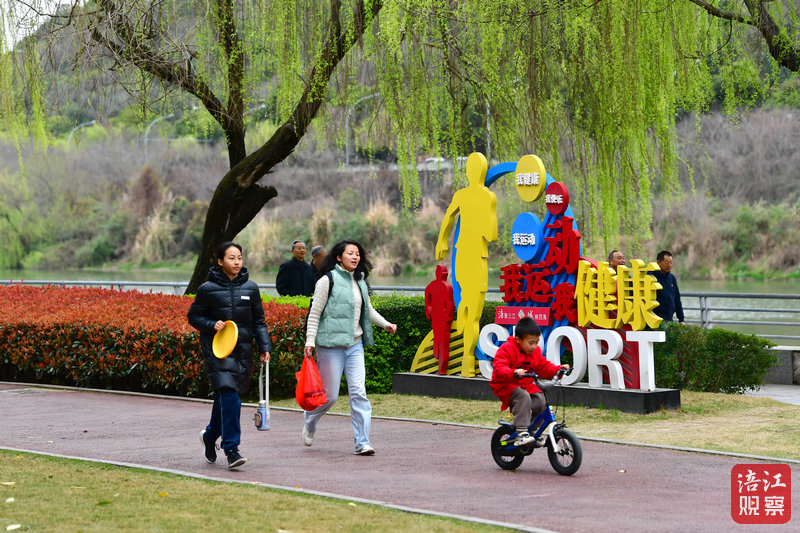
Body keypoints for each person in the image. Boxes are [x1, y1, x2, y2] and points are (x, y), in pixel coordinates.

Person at [303, 239, 397, 455]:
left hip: (355, 345)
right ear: (339, 257)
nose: (355, 257)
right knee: (330, 396)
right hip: (330, 347)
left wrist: (386, 324)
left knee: (359, 393)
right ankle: (310, 420)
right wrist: (310, 341)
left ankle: (362, 442)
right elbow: (314, 313)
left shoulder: (360, 280)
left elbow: (368, 310)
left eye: (357, 254)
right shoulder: (327, 281)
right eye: (350, 253)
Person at [188, 241, 272, 469]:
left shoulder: (251, 288)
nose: (237, 262)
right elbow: (194, 316)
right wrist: (211, 324)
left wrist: (264, 347)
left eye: (239, 258)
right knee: (231, 397)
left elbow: (259, 321)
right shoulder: (207, 289)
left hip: (243, 351)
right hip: (218, 351)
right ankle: (232, 449)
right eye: (231, 258)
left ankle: (209, 436)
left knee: (224, 399)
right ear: (220, 261)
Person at [434, 152, 497, 377]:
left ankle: (466, 358)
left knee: (466, 308)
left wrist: (442, 241)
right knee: (472, 312)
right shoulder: (487, 196)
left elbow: (448, 217)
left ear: (469, 172)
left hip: (461, 254)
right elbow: (492, 234)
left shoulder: (461, 195)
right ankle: (467, 361)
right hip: (476, 256)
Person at [489, 317, 569, 446]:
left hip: (525, 384)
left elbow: (544, 367)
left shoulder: (535, 352)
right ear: (518, 339)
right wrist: (513, 372)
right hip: (505, 384)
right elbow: (499, 367)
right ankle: (521, 433)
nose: (534, 346)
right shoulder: (507, 349)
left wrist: (558, 370)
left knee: (541, 401)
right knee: (523, 396)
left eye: (536, 342)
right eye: (531, 343)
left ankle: (532, 430)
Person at [653, 250, 685, 324]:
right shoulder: (651, 276)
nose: (669, 265)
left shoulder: (672, 278)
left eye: (671, 263)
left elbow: (677, 299)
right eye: (667, 263)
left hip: (669, 319)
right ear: (658, 262)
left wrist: (681, 319)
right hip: (655, 320)